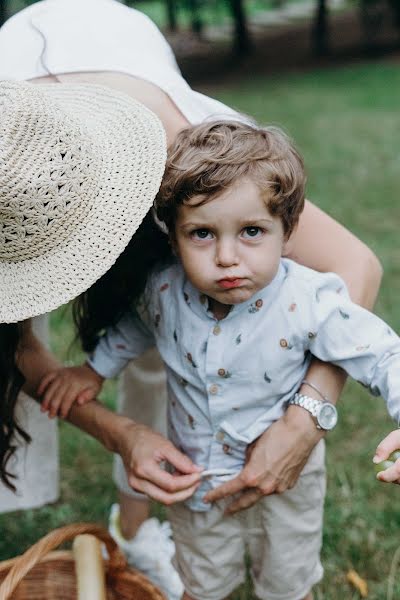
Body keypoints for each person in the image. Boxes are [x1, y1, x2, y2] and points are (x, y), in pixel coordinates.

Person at [0, 0, 383, 597]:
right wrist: (117, 426)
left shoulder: (200, 166)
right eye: (202, 236)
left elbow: (355, 268)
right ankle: (134, 532)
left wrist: (306, 415)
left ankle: (136, 531)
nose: (228, 254)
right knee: (170, 317)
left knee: (176, 320)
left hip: (124, 91)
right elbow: (30, 351)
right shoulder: (14, 187)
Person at [37, 120, 400, 600]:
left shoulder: (311, 300)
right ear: (174, 239)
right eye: (202, 234)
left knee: (288, 586)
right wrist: (93, 369)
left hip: (286, 490)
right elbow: (138, 327)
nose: (227, 257)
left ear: (287, 231)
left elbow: (381, 353)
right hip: (196, 482)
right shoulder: (164, 290)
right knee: (200, 584)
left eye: (251, 231)